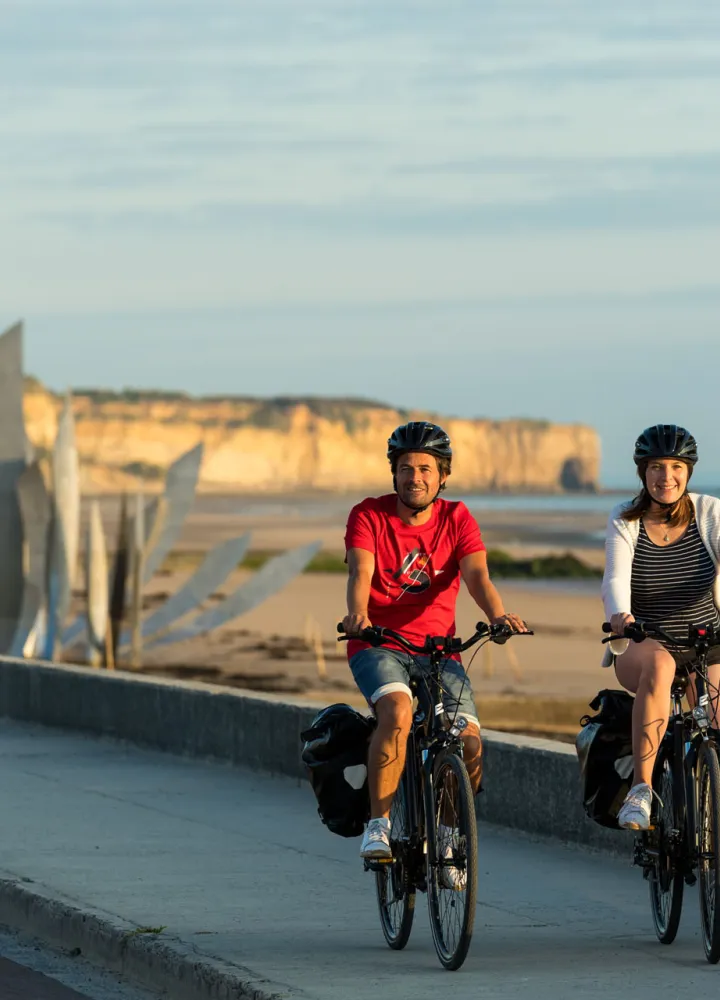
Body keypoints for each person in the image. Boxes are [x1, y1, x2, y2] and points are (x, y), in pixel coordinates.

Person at [342, 421, 528, 861]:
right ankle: (379, 825)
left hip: (439, 651)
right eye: (406, 467)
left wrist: (497, 616)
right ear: (394, 473)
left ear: (442, 475)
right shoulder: (368, 515)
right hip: (378, 644)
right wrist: (359, 615)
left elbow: (477, 575)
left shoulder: (457, 517)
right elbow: (359, 573)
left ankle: (447, 837)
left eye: (425, 468)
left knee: (470, 743)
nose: (415, 477)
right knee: (397, 711)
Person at [602, 424, 720, 830]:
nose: (665, 476)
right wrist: (621, 614)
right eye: (655, 467)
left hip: (707, 640)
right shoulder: (625, 518)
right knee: (661, 667)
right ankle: (641, 791)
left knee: (716, 718)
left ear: (688, 471)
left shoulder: (709, 512)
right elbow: (614, 578)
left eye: (674, 466)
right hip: (644, 641)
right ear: (642, 472)